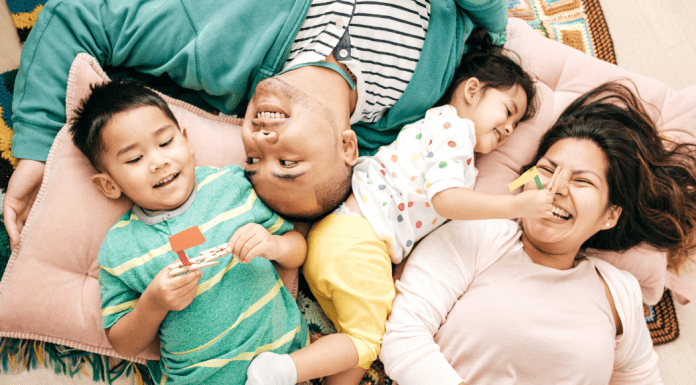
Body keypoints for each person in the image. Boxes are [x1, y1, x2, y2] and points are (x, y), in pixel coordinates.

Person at [4, 0, 509, 248]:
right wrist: (498, 23)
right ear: (350, 146)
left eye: (250, 159)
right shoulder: (414, 110)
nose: (258, 139)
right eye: (286, 161)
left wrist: (32, 148)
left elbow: (82, 16)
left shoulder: (216, 49)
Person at [244, 37, 543, 385]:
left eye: (515, 127)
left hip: (346, 239)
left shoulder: (461, 162)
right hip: (359, 239)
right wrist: (515, 205)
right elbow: (447, 201)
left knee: (355, 338)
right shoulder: (452, 129)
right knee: (368, 342)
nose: (508, 129)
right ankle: (281, 371)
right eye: (508, 111)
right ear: (472, 91)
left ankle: (307, 363)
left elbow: (426, 221)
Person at [379, 81, 696, 385]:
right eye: (546, 170)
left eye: (582, 181)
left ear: (610, 215)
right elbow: (403, 338)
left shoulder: (621, 293)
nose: (556, 188)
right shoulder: (478, 235)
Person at [70, 79, 309, 384]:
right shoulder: (121, 248)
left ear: (187, 141)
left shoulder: (231, 187)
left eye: (166, 142)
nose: (158, 162)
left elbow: (298, 249)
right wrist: (153, 303)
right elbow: (123, 343)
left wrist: (273, 245)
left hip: (285, 361)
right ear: (109, 184)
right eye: (134, 159)